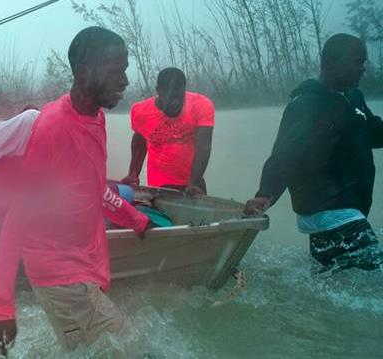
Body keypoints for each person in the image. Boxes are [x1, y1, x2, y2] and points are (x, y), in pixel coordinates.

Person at [0, 27, 150, 357]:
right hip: (60, 270)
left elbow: (93, 187)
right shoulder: (53, 128)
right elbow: (17, 217)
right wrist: (0, 306)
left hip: (85, 260)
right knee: (133, 349)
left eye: (125, 70)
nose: (125, 81)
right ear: (84, 73)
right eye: (117, 71)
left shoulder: (95, 116)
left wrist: (135, 219)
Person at [244, 33, 383, 271]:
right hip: (332, 210)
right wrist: (265, 194)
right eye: (357, 61)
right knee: (374, 286)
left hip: (342, 213)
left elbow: (370, 132)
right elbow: (285, 154)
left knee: (343, 287)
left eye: (364, 61)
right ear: (331, 64)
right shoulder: (307, 105)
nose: (363, 68)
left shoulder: (352, 97)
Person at [121, 67, 214, 196]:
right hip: (158, 185)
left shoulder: (201, 105)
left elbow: (203, 146)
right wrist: (133, 174)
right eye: (170, 98)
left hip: (193, 182)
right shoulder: (141, 111)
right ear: (158, 91)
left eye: (179, 98)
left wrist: (193, 183)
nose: (175, 103)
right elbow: (140, 142)